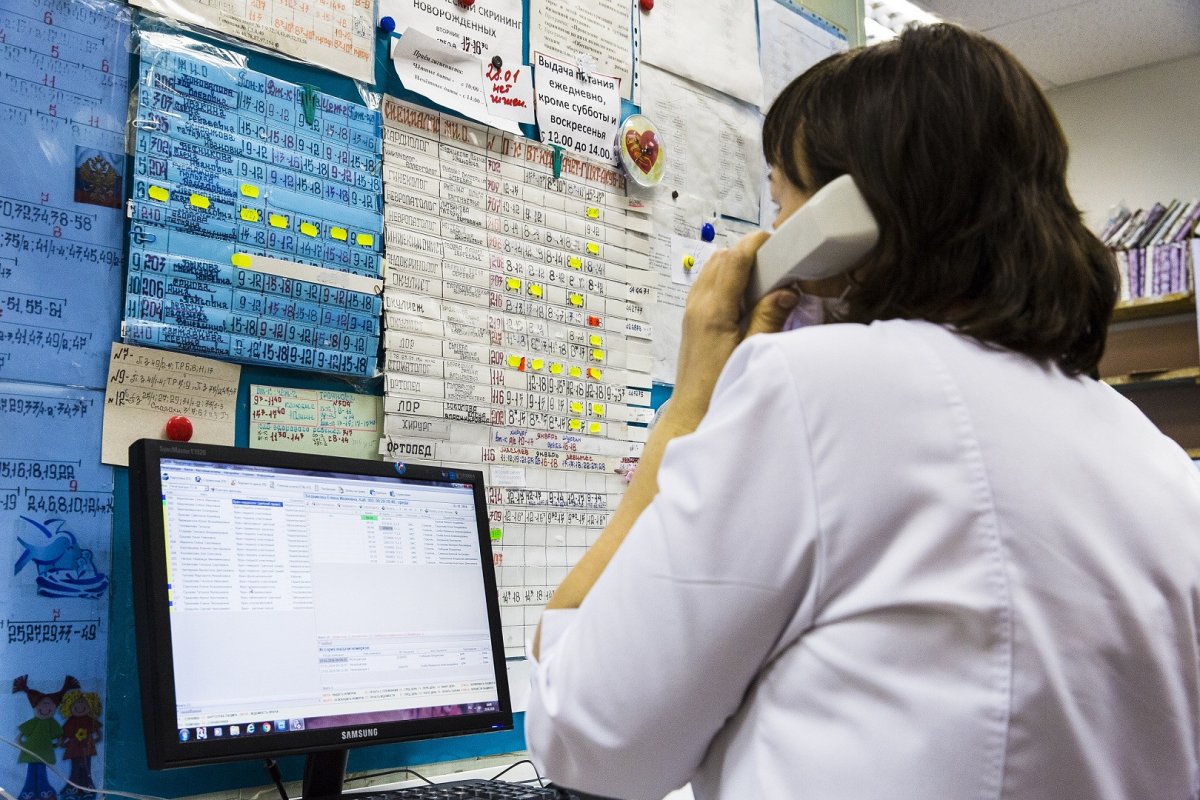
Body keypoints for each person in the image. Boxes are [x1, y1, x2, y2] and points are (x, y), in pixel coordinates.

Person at [525, 23, 1200, 800]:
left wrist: (686, 414)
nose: (768, 241)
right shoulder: (1152, 456)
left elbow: (587, 734)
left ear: (845, 225)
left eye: (781, 203)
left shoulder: (817, 390)